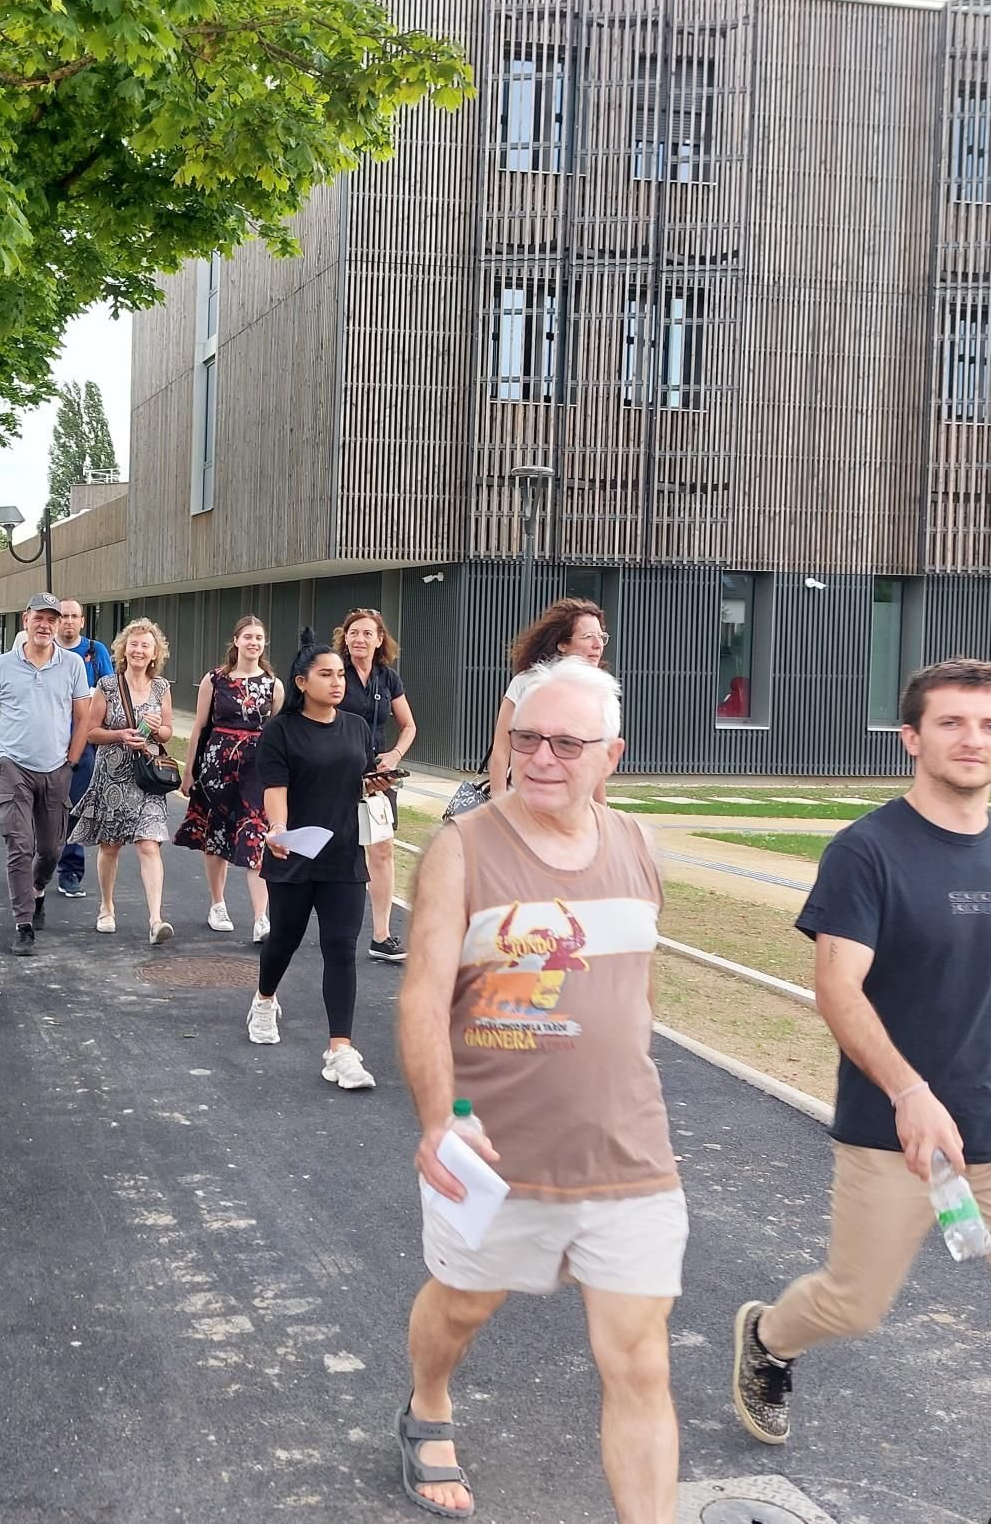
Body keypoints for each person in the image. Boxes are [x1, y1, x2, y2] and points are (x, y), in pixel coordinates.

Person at [729, 656, 991, 1524]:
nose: (971, 739)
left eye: (989, 726)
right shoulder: (866, 851)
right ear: (912, 737)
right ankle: (769, 1338)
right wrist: (909, 1090)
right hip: (893, 1132)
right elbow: (840, 988)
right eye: (951, 723)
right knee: (855, 1302)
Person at [395, 656, 680, 1522]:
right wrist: (439, 1120)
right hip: (492, 1153)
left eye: (566, 742)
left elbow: (638, 987)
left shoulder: (638, 846)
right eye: (526, 738)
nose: (542, 758)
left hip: (628, 1155)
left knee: (639, 1359)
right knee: (463, 1306)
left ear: (611, 756)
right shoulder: (464, 848)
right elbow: (421, 993)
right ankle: (427, 1404)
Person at [247, 640, 400, 1093]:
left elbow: (357, 779)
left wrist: (375, 781)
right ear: (301, 683)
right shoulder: (281, 731)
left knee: (339, 947)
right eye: (327, 675)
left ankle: (340, 1051)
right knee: (285, 939)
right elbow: (276, 790)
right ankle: (263, 999)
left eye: (340, 675)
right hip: (294, 853)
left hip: (344, 855)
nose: (337, 682)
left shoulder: (355, 727)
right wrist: (277, 829)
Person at [0, 593, 93, 956]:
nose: (45, 625)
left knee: (50, 849)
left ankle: (39, 890)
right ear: (26, 619)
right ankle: (23, 924)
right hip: (13, 765)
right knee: (19, 845)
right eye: (38, 618)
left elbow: (83, 717)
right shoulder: (3, 666)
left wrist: (71, 761)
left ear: (59, 625)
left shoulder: (72, 664)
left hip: (56, 768)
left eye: (52, 620)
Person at [68, 619, 179, 943]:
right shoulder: (107, 685)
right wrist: (120, 734)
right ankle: (106, 907)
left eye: (145, 645)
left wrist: (157, 729)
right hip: (112, 776)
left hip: (147, 778)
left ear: (155, 652)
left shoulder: (161, 688)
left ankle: (156, 919)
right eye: (134, 644)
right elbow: (91, 731)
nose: (139, 650)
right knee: (111, 845)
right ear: (123, 648)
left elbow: (168, 732)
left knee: (149, 843)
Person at [175, 615, 281, 941]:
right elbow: (199, 727)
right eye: (247, 636)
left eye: (259, 637)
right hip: (217, 762)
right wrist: (189, 770)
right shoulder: (215, 679)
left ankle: (261, 918)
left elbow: (278, 733)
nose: (253, 642)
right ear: (236, 641)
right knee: (216, 834)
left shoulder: (273, 685)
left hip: (256, 767)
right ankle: (217, 903)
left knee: (257, 835)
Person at [454, 597, 610, 815]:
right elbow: (501, 749)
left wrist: (603, 814)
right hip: (525, 803)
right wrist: (499, 811)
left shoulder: (599, 692)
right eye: (588, 637)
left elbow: (597, 758)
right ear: (562, 643)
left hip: (573, 810)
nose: (598, 644)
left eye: (601, 636)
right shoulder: (525, 683)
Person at [335, 608, 416, 963]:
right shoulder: (334, 673)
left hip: (377, 779)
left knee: (382, 851)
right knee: (333, 851)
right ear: (345, 637)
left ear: (380, 640)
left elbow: (409, 725)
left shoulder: (388, 678)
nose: (360, 639)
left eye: (368, 633)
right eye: (354, 632)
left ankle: (381, 936)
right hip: (335, 775)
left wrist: (395, 755)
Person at [52, 598, 115, 900]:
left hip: (84, 742)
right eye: (63, 616)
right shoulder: (45, 650)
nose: (68, 621)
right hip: (47, 742)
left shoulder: (94, 651)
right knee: (44, 807)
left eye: (73, 616)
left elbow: (109, 690)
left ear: (82, 621)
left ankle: (70, 871)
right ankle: (38, 862)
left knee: (75, 807)